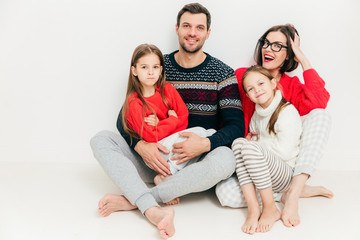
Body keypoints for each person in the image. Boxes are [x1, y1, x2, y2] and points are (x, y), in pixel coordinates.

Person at [90, 3, 244, 239]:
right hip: (154, 157)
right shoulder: (158, 65)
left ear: (207, 33)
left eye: (199, 27)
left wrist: (205, 145)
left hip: (192, 163)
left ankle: (138, 200)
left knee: (227, 159)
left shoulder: (223, 73)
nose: (192, 32)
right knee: (101, 139)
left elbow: (236, 127)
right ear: (177, 29)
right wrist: (141, 146)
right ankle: (152, 202)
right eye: (187, 26)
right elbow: (125, 118)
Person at [216, 24, 334, 228]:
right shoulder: (244, 76)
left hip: (280, 162)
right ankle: (286, 192)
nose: (268, 49)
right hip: (250, 161)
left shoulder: (292, 86)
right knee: (224, 195)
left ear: (289, 55)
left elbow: (320, 100)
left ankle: (294, 193)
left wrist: (302, 58)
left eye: (278, 46)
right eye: (266, 43)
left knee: (321, 115)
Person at [122, 43, 215, 204]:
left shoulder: (168, 90)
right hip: (156, 154)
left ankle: (170, 174)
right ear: (134, 70)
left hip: (173, 145)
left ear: (161, 69)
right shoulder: (134, 103)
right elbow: (151, 137)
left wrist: (161, 123)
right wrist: (171, 119)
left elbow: (184, 119)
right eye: (144, 67)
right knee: (201, 132)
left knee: (210, 134)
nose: (151, 72)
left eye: (155, 67)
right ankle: (168, 174)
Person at [234, 65, 302, 234]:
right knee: (238, 143)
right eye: (251, 88)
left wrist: (256, 144)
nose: (257, 90)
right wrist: (251, 143)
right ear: (248, 96)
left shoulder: (287, 112)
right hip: (266, 171)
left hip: (285, 172)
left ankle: (270, 207)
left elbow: (285, 151)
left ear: (273, 83)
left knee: (249, 146)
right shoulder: (257, 115)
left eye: (261, 83)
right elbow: (253, 141)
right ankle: (253, 208)